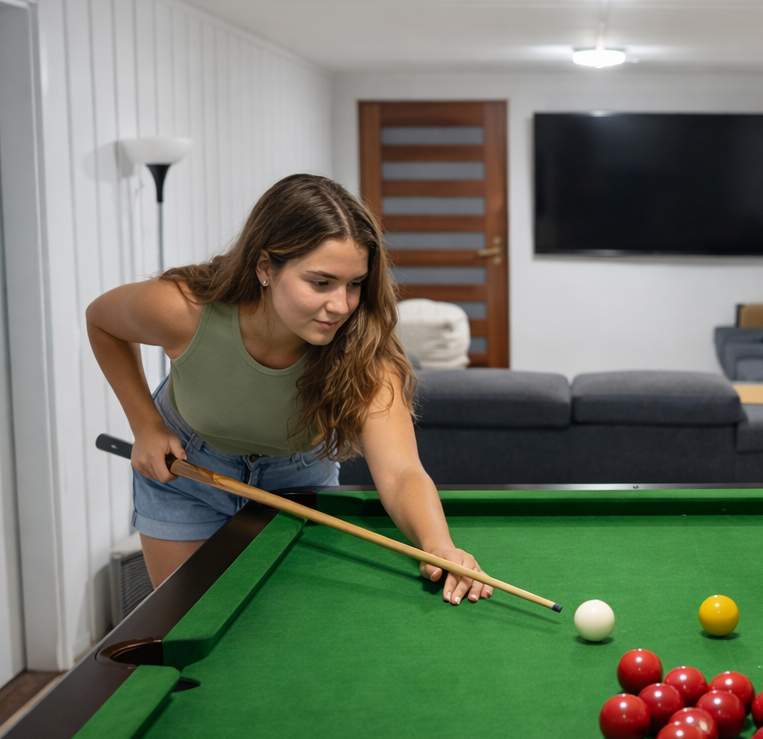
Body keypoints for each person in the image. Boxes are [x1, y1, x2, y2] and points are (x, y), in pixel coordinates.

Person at [87, 173, 493, 601]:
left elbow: (400, 472)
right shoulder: (184, 309)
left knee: (293, 624)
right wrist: (145, 425)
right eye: (320, 282)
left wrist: (438, 546)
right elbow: (102, 321)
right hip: (187, 474)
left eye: (354, 284)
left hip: (298, 481)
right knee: (186, 621)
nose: (340, 305)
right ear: (265, 267)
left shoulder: (365, 348)